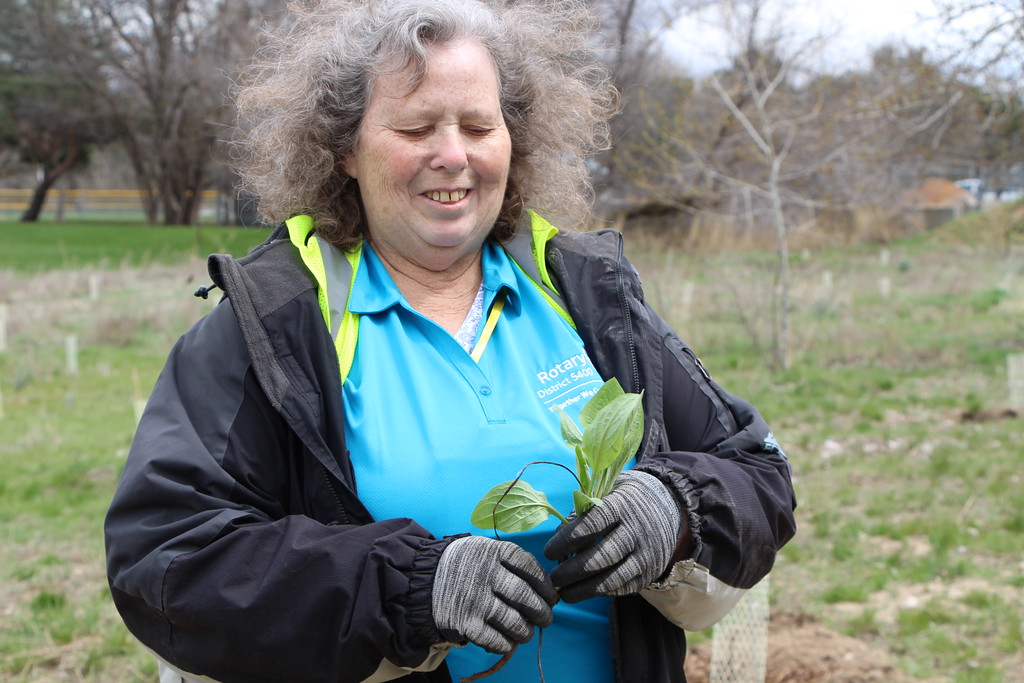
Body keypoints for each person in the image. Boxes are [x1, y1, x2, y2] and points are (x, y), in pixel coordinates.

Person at [103, 0, 797, 681]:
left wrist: (677, 507)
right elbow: (166, 553)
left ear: (513, 139)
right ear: (344, 149)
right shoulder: (276, 325)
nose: (452, 155)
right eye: (415, 128)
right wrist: (407, 587)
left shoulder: (587, 294)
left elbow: (757, 473)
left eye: (478, 125)